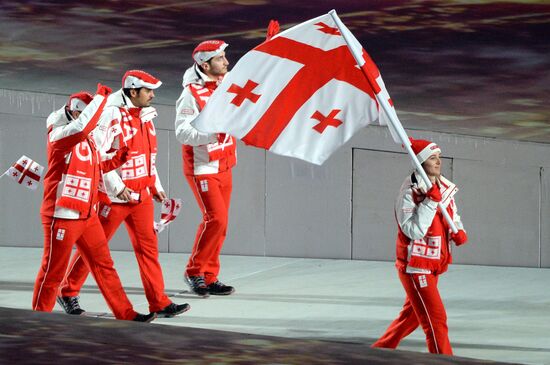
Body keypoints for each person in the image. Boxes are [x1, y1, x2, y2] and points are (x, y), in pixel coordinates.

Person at [59, 70, 190, 318]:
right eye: (148, 91)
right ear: (132, 91)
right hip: (114, 198)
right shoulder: (109, 114)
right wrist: (119, 188)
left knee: (149, 250)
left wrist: (156, 185)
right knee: (94, 250)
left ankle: (159, 302)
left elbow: (148, 156)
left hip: (141, 196)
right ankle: (67, 291)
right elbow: (95, 155)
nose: (152, 95)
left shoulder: (147, 115)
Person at [33, 86, 155, 322]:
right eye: (94, 117)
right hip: (62, 216)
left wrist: (118, 158)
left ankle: (126, 313)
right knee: (53, 273)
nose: (97, 123)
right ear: (79, 114)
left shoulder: (86, 138)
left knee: (104, 265)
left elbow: (95, 168)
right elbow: (80, 129)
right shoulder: (58, 135)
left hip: (87, 214)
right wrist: (101, 98)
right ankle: (38, 323)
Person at [371, 138, 468, 355]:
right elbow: (413, 231)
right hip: (415, 266)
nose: (438, 162)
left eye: (439, 157)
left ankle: (378, 353)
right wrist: (429, 203)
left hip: (434, 262)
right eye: (432, 158)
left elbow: (453, 215)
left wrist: (458, 231)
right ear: (421, 161)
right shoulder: (409, 192)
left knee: (412, 317)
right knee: (436, 320)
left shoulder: (444, 187)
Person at [174, 40, 236, 297]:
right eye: (221, 59)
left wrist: (270, 48)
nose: (226, 63)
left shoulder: (225, 82)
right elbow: (182, 131)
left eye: (225, 57)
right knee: (216, 219)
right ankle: (194, 271)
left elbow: (255, 76)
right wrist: (213, 133)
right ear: (205, 63)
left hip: (225, 163)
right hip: (203, 167)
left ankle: (210, 276)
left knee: (221, 225)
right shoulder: (190, 94)